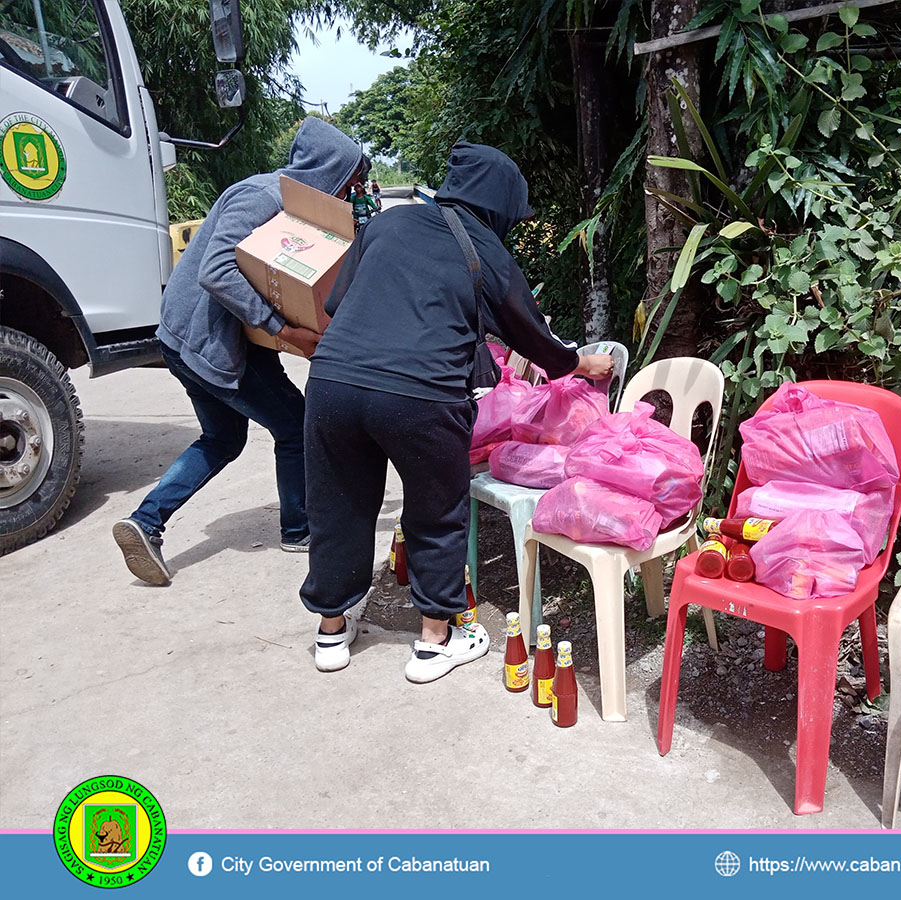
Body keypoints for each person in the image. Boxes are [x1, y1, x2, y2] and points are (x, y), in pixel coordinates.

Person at [300, 142, 613, 678]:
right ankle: (433, 641)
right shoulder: (486, 251)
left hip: (334, 384)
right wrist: (579, 364)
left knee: (338, 505)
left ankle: (331, 631)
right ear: (498, 206)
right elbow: (535, 341)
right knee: (437, 509)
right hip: (422, 396)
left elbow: (336, 304)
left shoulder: (387, 224)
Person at [112, 118, 368, 586]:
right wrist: (284, 330)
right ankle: (299, 528)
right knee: (295, 422)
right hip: (206, 338)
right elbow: (216, 271)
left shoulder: (291, 207)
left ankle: (145, 522)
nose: (348, 195)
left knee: (223, 439)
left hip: (219, 337)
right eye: (347, 184)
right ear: (327, 172)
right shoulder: (263, 197)